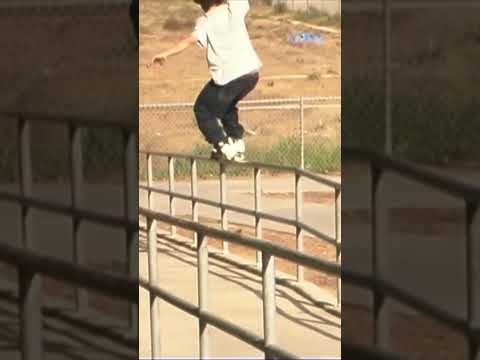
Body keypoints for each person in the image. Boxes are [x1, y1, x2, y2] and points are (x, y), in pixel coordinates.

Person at [148, 0, 262, 161]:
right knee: (227, 106)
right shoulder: (233, 8)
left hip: (230, 77)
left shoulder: (205, 22)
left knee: (202, 109)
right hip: (251, 74)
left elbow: (189, 41)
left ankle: (223, 146)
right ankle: (236, 141)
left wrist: (166, 53)